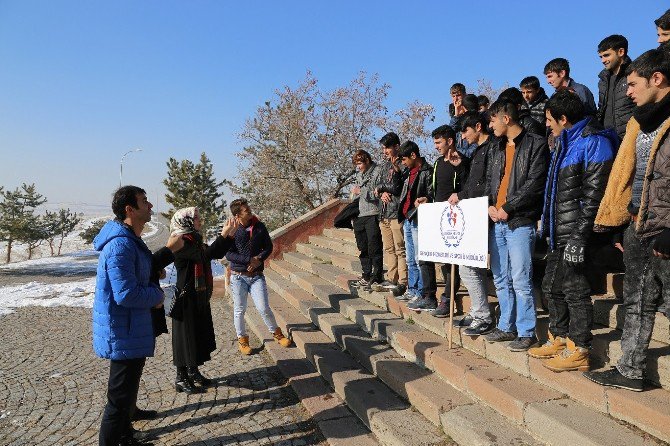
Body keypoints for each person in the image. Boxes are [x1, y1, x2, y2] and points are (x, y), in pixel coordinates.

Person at [584, 48, 670, 391]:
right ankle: (630, 369)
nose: (627, 91)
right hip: (638, 226)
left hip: (666, 231)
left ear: (658, 79)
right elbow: (629, 175)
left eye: (633, 84)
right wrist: (623, 220)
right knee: (636, 299)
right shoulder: (639, 122)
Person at [528, 91, 616, 372]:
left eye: (549, 119)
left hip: (577, 232)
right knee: (551, 288)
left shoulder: (594, 143)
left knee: (576, 291)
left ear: (563, 118)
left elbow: (594, 195)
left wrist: (580, 235)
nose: (547, 124)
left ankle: (579, 349)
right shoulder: (563, 143)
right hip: (557, 232)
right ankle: (560, 337)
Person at [93, 186, 181, 446]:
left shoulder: (130, 239)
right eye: (145, 202)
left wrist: (151, 274)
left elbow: (133, 275)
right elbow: (126, 294)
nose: (151, 206)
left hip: (131, 328)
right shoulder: (120, 245)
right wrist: (157, 296)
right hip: (123, 330)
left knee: (126, 391)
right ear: (129, 209)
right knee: (118, 398)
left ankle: (125, 435)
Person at [484, 100, 549, 351]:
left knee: (521, 278)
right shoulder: (497, 148)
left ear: (506, 118)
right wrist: (490, 205)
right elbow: (493, 182)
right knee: (500, 278)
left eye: (493, 120)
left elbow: (534, 183)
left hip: (520, 221)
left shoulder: (536, 144)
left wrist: (508, 208)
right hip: (496, 221)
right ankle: (506, 326)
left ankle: (527, 331)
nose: (491, 126)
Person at [169, 208, 237, 394]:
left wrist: (229, 236)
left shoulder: (195, 239)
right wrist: (223, 235)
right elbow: (204, 256)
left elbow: (213, 253)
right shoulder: (180, 241)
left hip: (198, 294)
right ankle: (181, 378)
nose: (200, 219)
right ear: (187, 221)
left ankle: (193, 371)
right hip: (186, 298)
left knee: (197, 335)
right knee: (185, 338)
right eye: (196, 217)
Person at [410, 125, 466, 314]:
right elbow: (436, 191)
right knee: (432, 259)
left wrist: (461, 167)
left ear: (450, 141)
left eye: (438, 142)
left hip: (455, 219)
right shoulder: (437, 163)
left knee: (452, 264)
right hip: (438, 217)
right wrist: (428, 199)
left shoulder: (461, 161)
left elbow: (467, 185)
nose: (436, 146)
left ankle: (447, 300)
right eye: (434, 143)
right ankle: (429, 296)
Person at [448, 111, 496, 335]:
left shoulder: (494, 147)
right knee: (467, 266)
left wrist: (469, 197)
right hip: (474, 214)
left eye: (465, 131)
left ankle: (485, 315)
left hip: (487, 214)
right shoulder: (477, 151)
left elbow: (489, 183)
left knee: (479, 268)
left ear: (478, 126)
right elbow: (472, 182)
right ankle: (478, 310)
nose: (464, 137)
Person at [226, 198, 292, 355]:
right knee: (239, 310)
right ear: (237, 215)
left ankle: (277, 333)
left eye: (248, 208)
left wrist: (259, 259)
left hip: (257, 276)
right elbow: (228, 254)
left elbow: (268, 247)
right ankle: (242, 340)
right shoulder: (232, 230)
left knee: (263, 307)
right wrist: (249, 260)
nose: (250, 211)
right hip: (238, 277)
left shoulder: (260, 227)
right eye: (246, 210)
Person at [396, 141, 433, 303]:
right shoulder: (407, 173)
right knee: (410, 258)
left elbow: (432, 194)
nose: (403, 163)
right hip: (408, 219)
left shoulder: (427, 171)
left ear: (413, 155)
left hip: (418, 218)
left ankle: (421, 292)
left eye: (404, 159)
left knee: (419, 258)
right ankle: (412, 289)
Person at [373, 132, 407, 296]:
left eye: (387, 147)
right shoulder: (384, 165)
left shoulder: (403, 164)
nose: (385, 151)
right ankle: (392, 278)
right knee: (389, 248)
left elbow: (398, 188)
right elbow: (377, 185)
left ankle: (403, 281)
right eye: (383, 148)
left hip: (397, 212)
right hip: (384, 212)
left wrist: (383, 188)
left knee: (400, 249)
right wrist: (381, 192)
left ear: (396, 147)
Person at [351, 149, 384, 289]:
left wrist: (361, 192)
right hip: (359, 214)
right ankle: (366, 274)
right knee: (362, 247)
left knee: (374, 246)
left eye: (360, 163)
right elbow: (355, 193)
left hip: (372, 213)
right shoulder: (359, 174)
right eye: (356, 163)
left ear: (367, 160)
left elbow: (378, 193)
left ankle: (377, 276)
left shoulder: (377, 172)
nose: (358, 166)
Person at [597, 34, 635, 141]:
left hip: (628, 138)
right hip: (607, 139)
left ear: (621, 52)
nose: (603, 60)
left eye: (607, 55)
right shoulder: (602, 80)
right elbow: (601, 110)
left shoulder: (635, 74)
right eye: (601, 57)